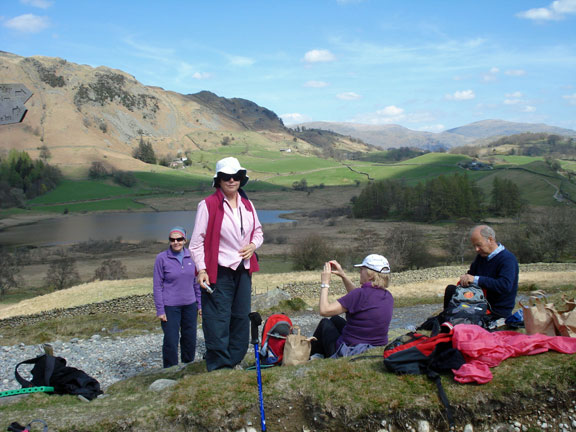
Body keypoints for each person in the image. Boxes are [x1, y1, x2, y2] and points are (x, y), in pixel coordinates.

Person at [190, 157, 263, 371]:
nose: (231, 181)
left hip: (243, 270)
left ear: (242, 179)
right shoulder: (208, 205)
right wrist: (201, 269)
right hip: (219, 270)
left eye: (236, 176)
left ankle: (234, 359)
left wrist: (253, 245)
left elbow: (258, 232)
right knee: (217, 318)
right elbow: (196, 243)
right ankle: (219, 365)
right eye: (226, 177)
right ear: (218, 180)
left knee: (241, 315)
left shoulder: (248, 204)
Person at [310, 254, 394, 359]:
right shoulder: (387, 295)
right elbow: (359, 298)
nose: (360, 272)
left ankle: (313, 356)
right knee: (335, 319)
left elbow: (324, 310)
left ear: (371, 274)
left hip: (350, 350)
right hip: (374, 346)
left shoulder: (360, 294)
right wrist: (343, 276)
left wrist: (325, 283)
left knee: (325, 323)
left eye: (362, 269)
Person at [444, 224, 519, 320]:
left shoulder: (508, 259)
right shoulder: (481, 257)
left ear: (491, 240)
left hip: (495, 311)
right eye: (474, 246)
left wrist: (475, 279)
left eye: (479, 245)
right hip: (476, 302)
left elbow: (505, 285)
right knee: (451, 290)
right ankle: (447, 318)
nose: (476, 249)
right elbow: (471, 275)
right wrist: (466, 279)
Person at [153, 226, 202, 368]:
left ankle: (188, 366)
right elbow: (157, 286)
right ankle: (170, 370)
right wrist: (160, 310)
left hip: (190, 305)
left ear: (185, 240)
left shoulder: (192, 256)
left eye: (179, 239)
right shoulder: (161, 258)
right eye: (172, 240)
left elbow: (196, 283)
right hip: (170, 306)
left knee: (189, 338)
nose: (176, 242)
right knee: (170, 340)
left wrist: (200, 305)